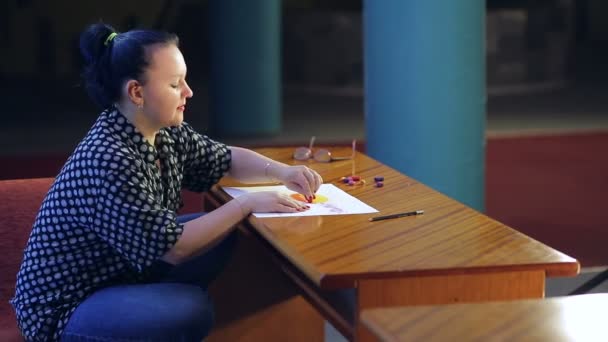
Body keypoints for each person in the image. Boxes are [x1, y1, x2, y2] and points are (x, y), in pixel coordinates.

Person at [11, 22, 322, 342]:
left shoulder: (161, 130)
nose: (189, 91)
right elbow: (175, 249)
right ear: (136, 92)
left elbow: (226, 158)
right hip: (69, 306)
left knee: (232, 235)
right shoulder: (110, 158)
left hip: (124, 270)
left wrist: (282, 173)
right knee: (189, 308)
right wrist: (245, 204)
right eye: (176, 84)